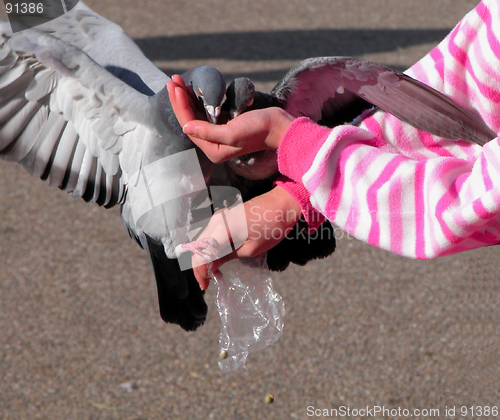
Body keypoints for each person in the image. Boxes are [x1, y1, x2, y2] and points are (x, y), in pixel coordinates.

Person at [167, 0, 500, 289]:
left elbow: (473, 200)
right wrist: (291, 198)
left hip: (300, 162)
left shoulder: (293, 95)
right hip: (291, 179)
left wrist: (290, 144)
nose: (223, 115)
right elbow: (461, 83)